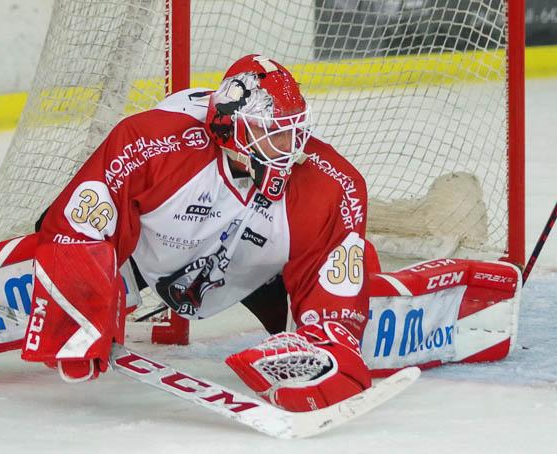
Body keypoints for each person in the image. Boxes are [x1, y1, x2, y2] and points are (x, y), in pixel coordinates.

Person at [21, 54, 375, 412]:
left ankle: (373, 307)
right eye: (273, 133)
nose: (289, 146)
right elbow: (76, 224)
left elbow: (333, 267)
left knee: (355, 275)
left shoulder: (330, 183)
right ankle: (61, 293)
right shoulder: (154, 142)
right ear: (233, 130)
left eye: (292, 130)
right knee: (52, 244)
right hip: (149, 249)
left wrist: (331, 338)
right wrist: (75, 317)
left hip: (255, 271)